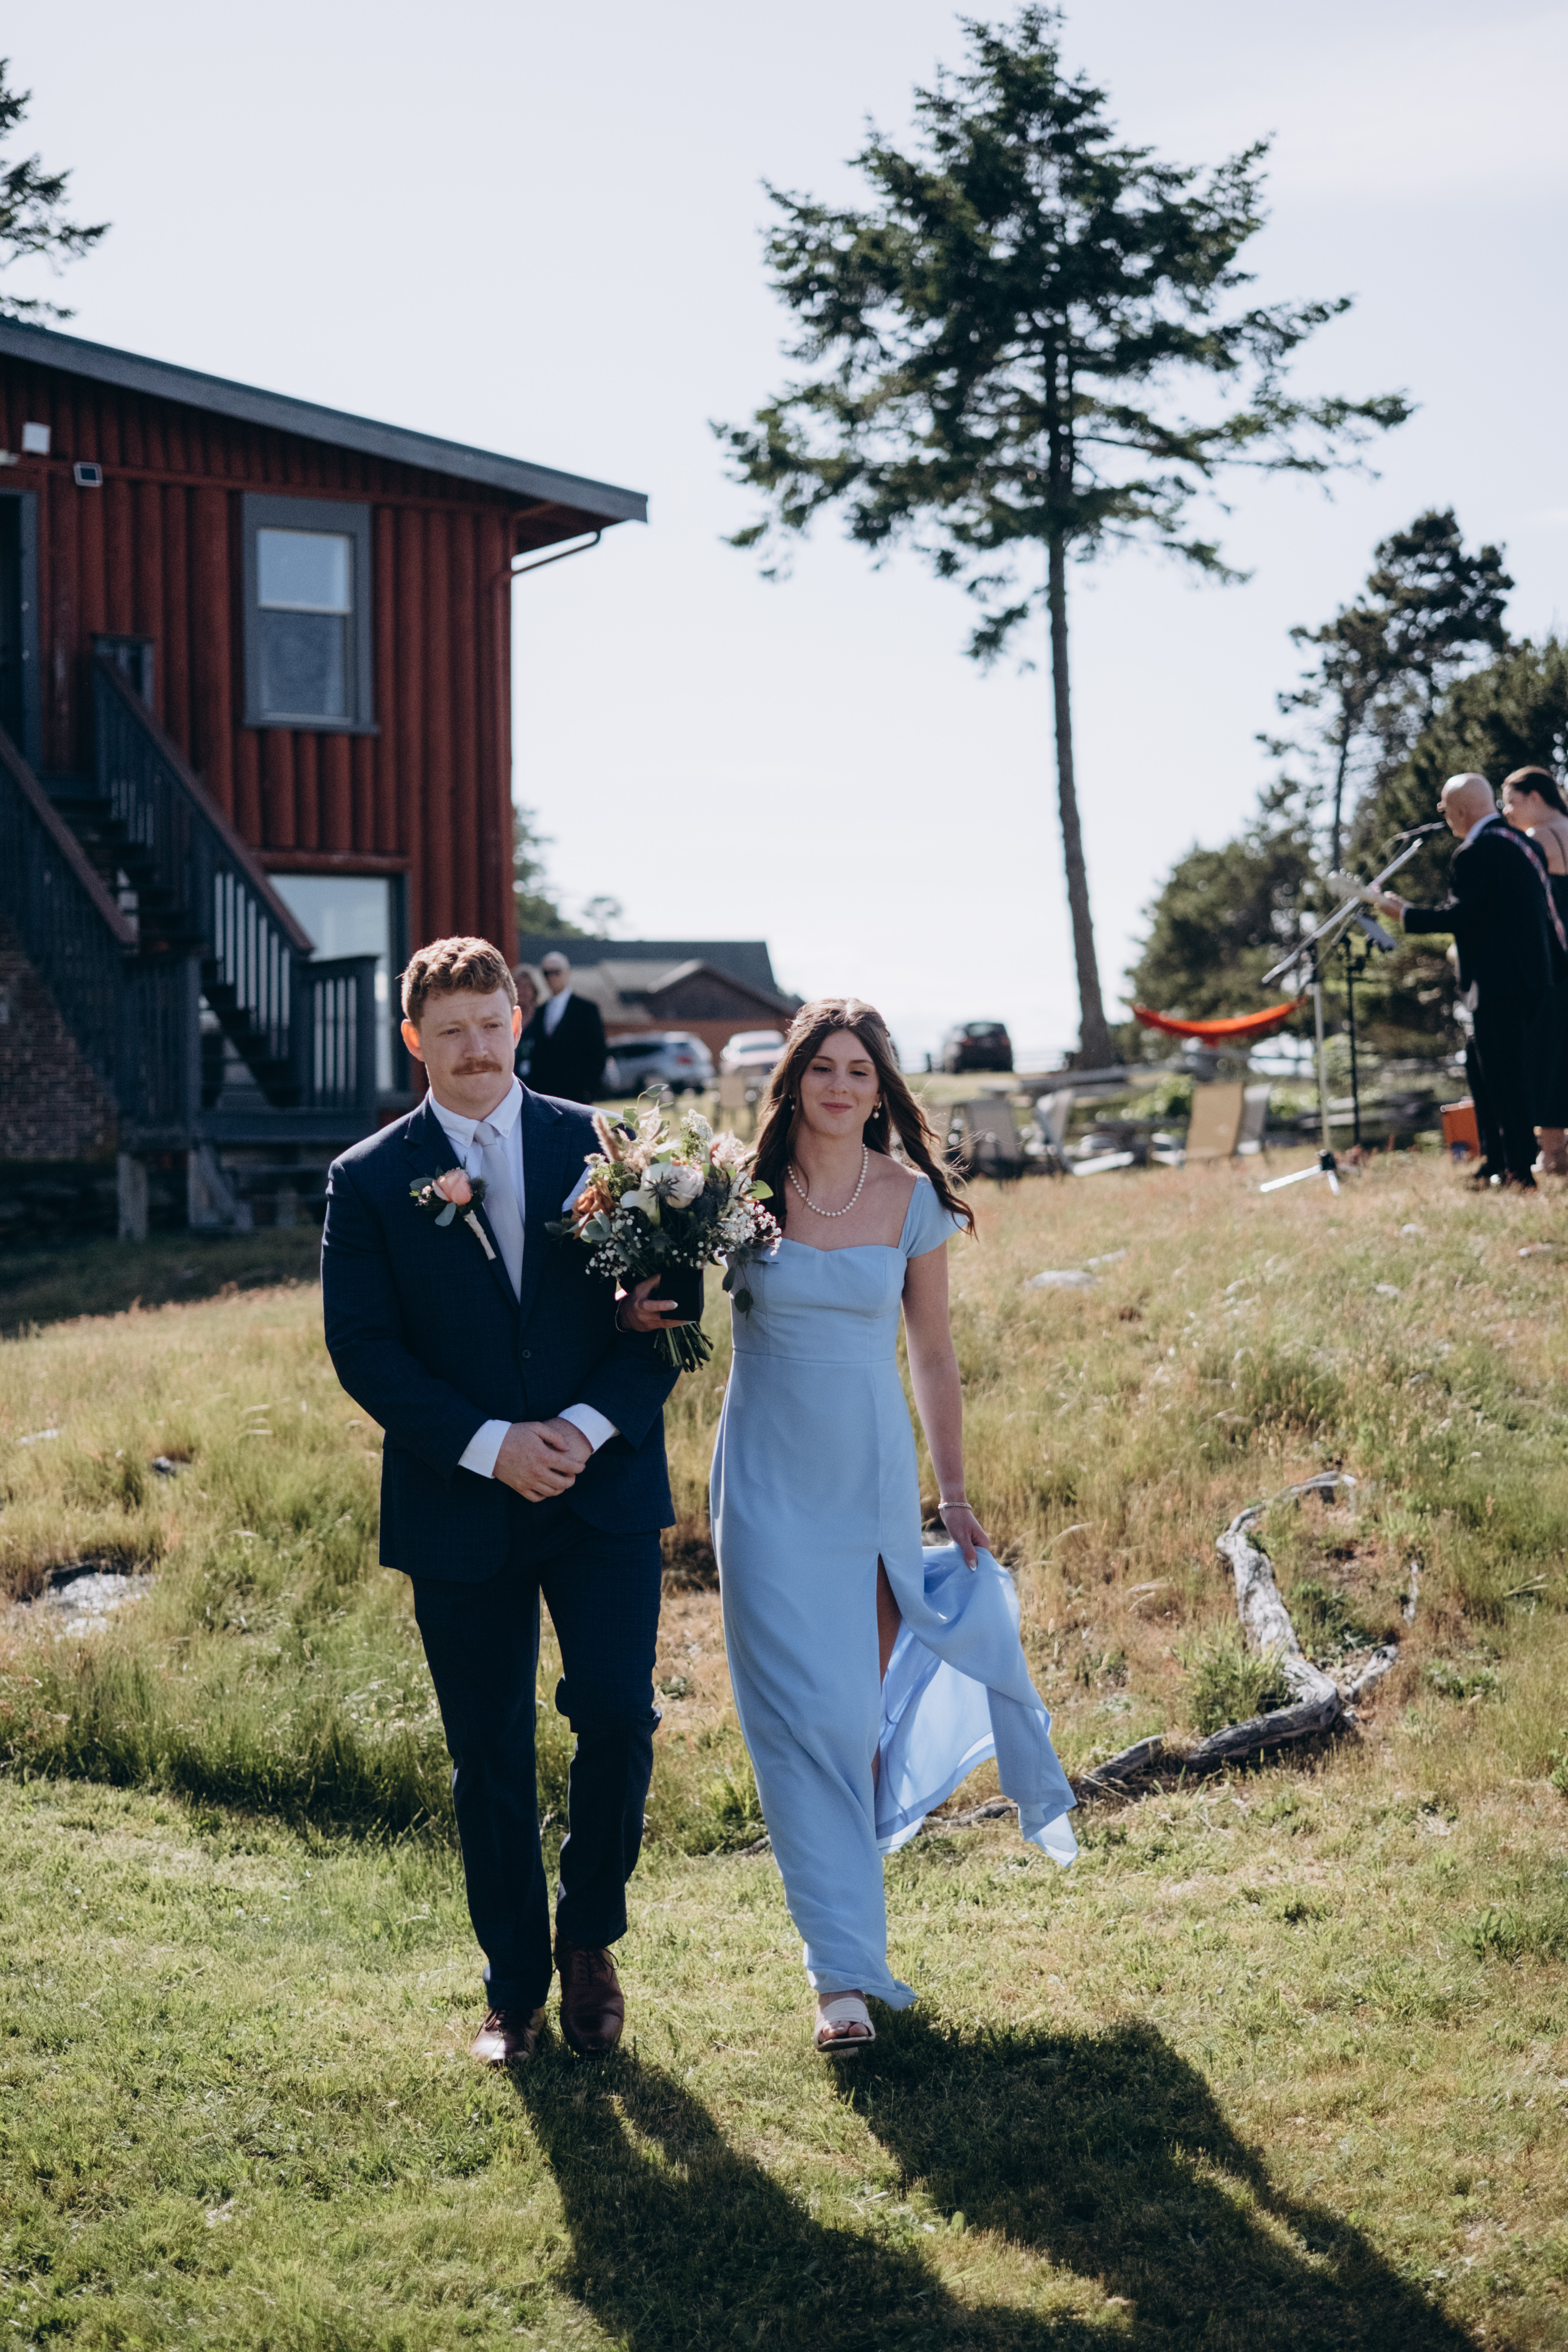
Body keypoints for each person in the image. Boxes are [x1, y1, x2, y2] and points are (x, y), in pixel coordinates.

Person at [320, 936, 682, 2069]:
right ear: (414, 1039)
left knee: (617, 1714)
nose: (476, 1048)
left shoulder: (605, 1148)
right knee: (488, 1752)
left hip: (599, 1489)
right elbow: (363, 1348)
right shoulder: (368, 1177)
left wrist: (579, 1430)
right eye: (452, 1031)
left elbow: (665, 1315)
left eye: (491, 1024)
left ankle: (589, 1938)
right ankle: (513, 1990)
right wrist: (489, 1447)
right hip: (458, 1500)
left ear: (517, 1022)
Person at [710, 997, 1076, 2057]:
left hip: (865, 1489)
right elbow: (658, 1303)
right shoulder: (735, 1193)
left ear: (881, 1090)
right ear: (793, 1079)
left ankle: (845, 1927)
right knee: (793, 1727)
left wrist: (951, 1494)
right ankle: (840, 1981)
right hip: (763, 1487)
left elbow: (932, 1354)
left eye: (859, 1071)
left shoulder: (911, 1200)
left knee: (845, 1722)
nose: (840, 1086)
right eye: (823, 1067)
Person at [1374, 772, 1566, 1191]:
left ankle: (1517, 1171)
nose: (1442, 815)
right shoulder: (1524, 844)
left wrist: (1403, 913)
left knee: (1504, 1077)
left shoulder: (1476, 852)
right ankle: (1496, 1161)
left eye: (1444, 808)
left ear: (1459, 812)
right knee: (1484, 1070)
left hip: (1498, 983)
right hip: (1533, 979)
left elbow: (1462, 917)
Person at [1500, 766, 1568, 1176]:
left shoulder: (1537, 839)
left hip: (1555, 961)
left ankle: (1553, 1151)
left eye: (1511, 801)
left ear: (1535, 797)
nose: (1507, 811)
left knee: (1547, 1052)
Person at [522, 952, 607, 1102]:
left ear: (568, 973)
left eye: (556, 972)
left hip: (577, 1095)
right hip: (546, 1096)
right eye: (547, 973)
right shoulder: (540, 1011)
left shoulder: (586, 1010)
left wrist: (589, 1090)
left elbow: (598, 1052)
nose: (551, 977)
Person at [512, 963, 541, 1083]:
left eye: (527, 986)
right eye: (519, 986)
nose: (523, 991)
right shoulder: (505, 1018)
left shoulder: (543, 1016)